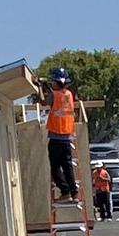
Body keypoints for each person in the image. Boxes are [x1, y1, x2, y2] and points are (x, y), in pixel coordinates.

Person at [40, 66, 79, 201]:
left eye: (52, 82)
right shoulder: (68, 94)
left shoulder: (54, 95)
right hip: (67, 136)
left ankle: (65, 191)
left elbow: (44, 102)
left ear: (56, 82)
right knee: (67, 167)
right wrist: (47, 87)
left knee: (55, 167)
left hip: (56, 136)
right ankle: (74, 193)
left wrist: (40, 88)